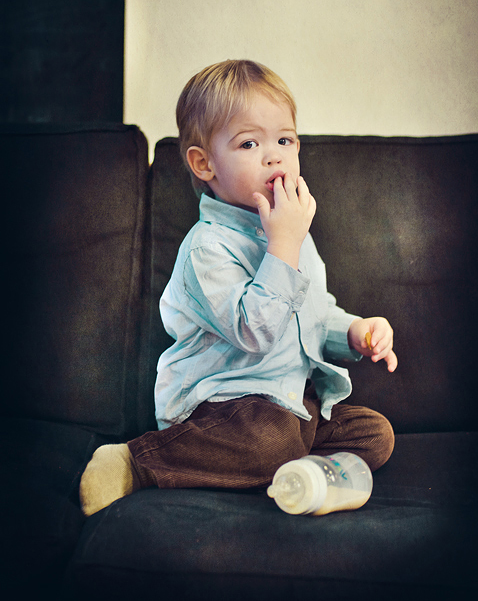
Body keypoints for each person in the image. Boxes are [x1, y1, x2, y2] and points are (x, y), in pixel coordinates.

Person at [80, 59, 397, 517]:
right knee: (270, 440)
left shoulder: (295, 235)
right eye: (249, 143)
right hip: (223, 408)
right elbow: (254, 332)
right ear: (204, 163)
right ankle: (139, 462)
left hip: (290, 402)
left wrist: (355, 332)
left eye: (284, 140)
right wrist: (283, 245)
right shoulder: (207, 248)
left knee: (375, 434)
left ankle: (297, 473)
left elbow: (314, 313)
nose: (274, 156)